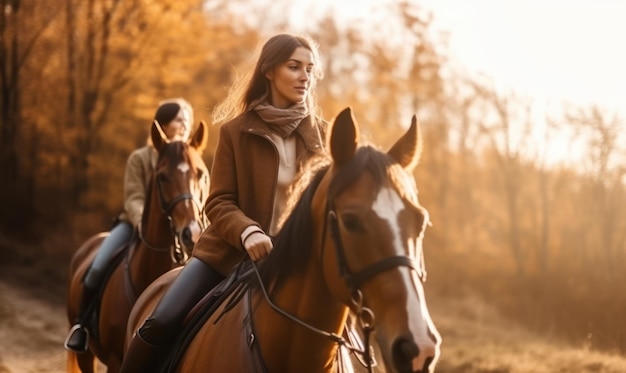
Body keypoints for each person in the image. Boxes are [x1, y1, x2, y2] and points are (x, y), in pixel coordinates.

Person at [120, 33, 327, 371]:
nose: (305, 76)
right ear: (269, 71)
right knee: (161, 320)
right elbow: (218, 202)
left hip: (299, 266)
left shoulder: (325, 135)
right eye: (294, 67)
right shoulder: (235, 131)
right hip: (227, 255)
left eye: (310, 69)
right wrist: (248, 232)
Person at [64, 98, 194, 353]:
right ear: (163, 124)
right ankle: (82, 327)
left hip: (178, 231)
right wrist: (143, 224)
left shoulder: (191, 160)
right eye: (180, 119)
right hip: (133, 226)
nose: (185, 124)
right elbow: (133, 197)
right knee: (97, 267)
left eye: (187, 120)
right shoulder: (140, 158)